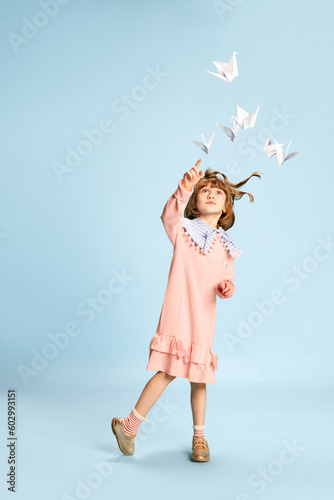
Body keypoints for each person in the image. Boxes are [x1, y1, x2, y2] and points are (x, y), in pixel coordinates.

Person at [112, 159, 262, 462]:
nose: (210, 194)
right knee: (167, 371)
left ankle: (199, 439)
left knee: (199, 378)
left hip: (203, 319)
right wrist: (183, 187)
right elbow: (168, 215)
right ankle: (129, 427)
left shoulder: (226, 246)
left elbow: (227, 279)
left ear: (226, 209)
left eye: (217, 194)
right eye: (203, 191)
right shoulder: (183, 232)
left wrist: (227, 287)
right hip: (179, 312)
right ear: (193, 203)